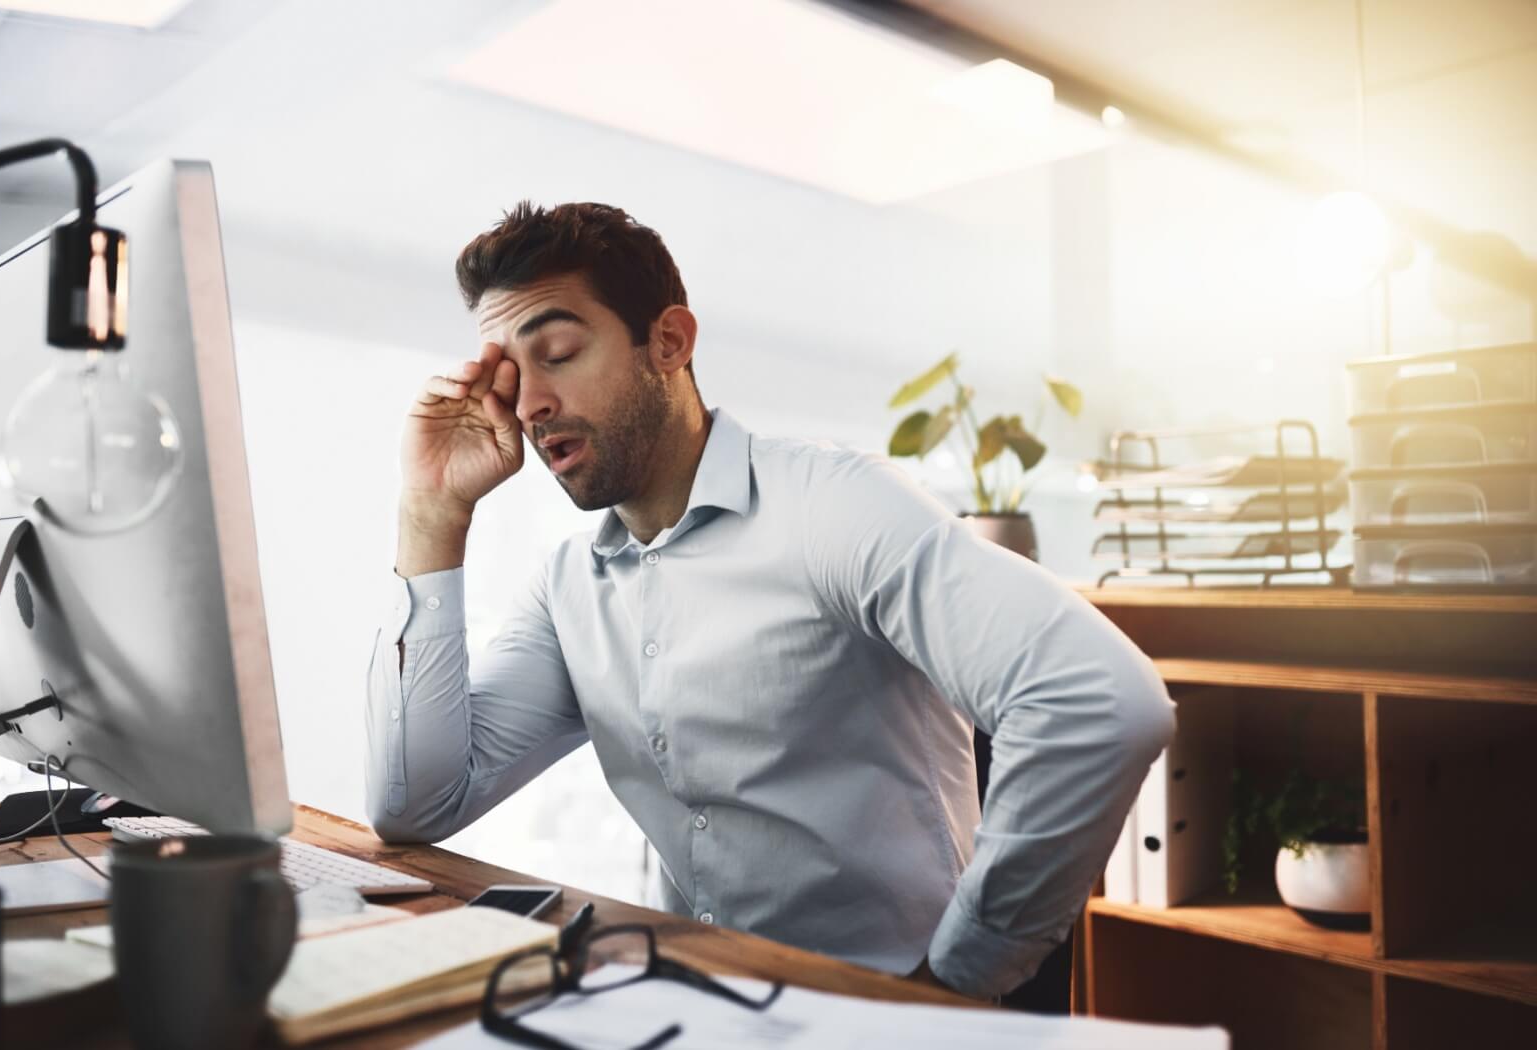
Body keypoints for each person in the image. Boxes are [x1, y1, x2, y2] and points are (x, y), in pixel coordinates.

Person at [365, 202, 1174, 1000]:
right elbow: (418, 804)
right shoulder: (571, 586)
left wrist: (955, 981)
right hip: (711, 1002)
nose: (530, 403)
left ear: (670, 343)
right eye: (510, 372)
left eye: (560, 353)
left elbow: (1100, 700)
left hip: (889, 1014)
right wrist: (431, 512)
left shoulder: (833, 508)